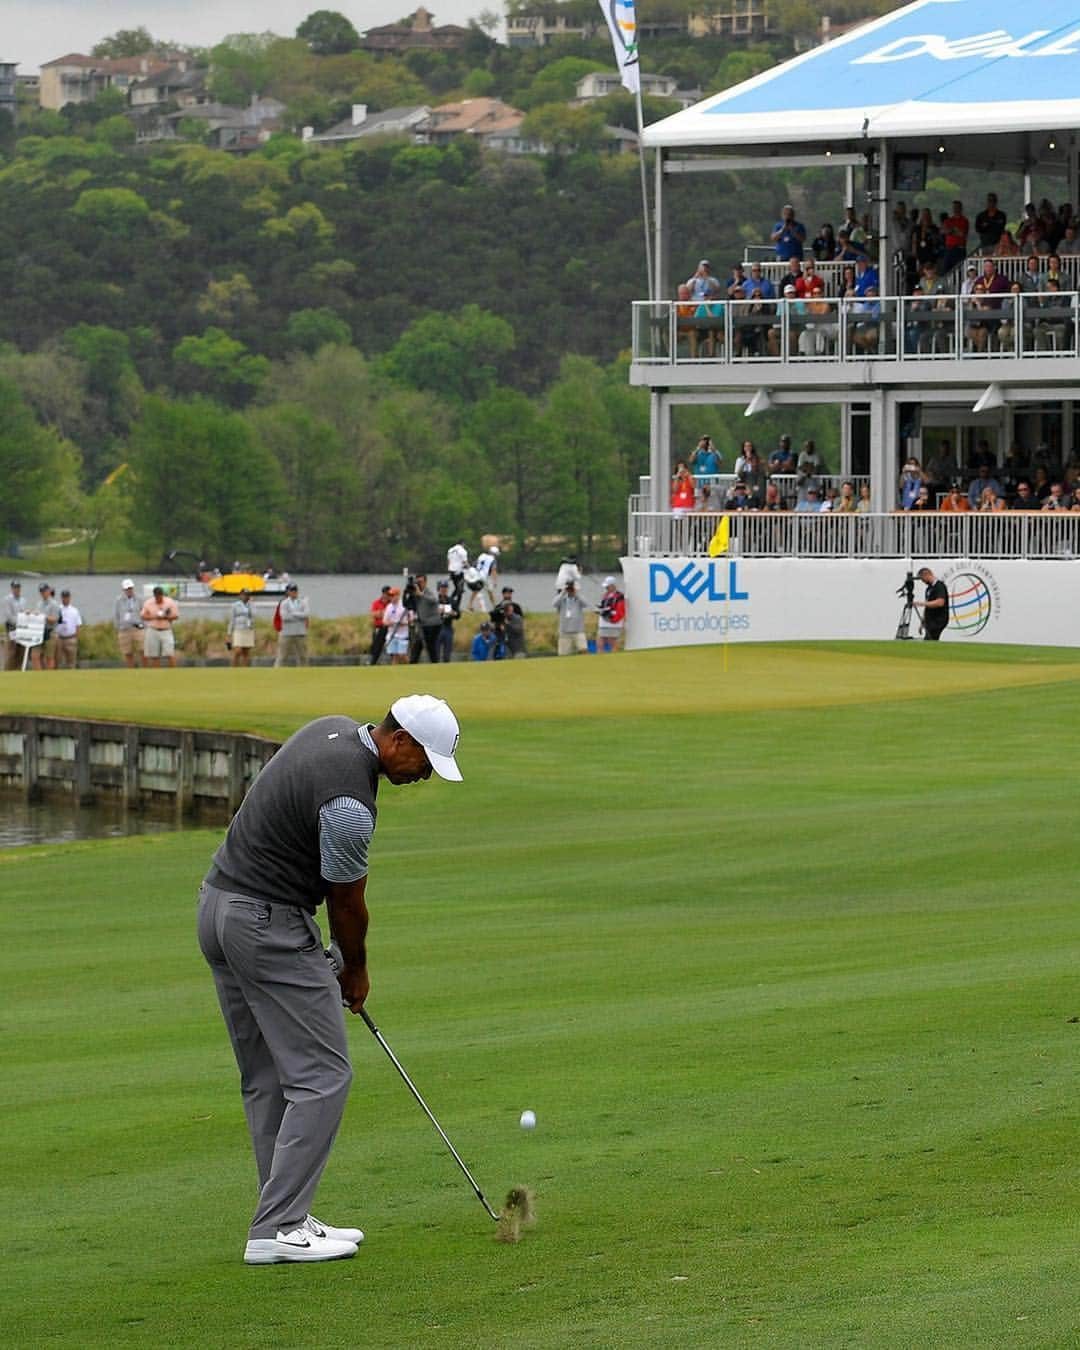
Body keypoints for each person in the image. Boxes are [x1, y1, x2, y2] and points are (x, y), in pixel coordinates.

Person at [197, 694, 462, 1266]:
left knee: (269, 1076)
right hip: (264, 920)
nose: (423, 777)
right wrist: (354, 970)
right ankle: (281, 1224)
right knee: (323, 1074)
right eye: (425, 763)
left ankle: (284, 1215)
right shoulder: (350, 806)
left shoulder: (332, 728)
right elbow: (347, 906)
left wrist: (327, 958)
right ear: (400, 741)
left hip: (218, 906)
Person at [141, 586, 179, 669]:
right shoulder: (148, 603)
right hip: (153, 630)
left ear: (162, 595)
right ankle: (157, 673)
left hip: (166, 630)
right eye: (157, 596)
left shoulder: (170, 602)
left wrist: (166, 617)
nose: (159, 598)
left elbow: (176, 616)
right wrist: (154, 617)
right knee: (154, 655)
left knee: (170, 653)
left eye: (160, 596)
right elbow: (143, 616)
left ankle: (174, 673)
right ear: (154, 596)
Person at [407, 574, 442, 665]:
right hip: (423, 624)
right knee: (417, 644)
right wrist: (407, 592)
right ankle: (413, 663)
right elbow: (407, 604)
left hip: (433, 623)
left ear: (425, 582)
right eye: (417, 582)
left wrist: (421, 594)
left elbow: (434, 600)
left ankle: (435, 663)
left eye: (421, 582)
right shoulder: (415, 593)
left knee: (430, 645)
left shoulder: (428, 591)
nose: (419, 584)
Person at [275, 582, 310, 668]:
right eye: (292, 591)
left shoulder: (302, 602)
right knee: (282, 656)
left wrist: (293, 613)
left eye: (295, 590)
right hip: (286, 633)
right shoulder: (284, 603)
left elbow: (306, 614)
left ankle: (304, 673)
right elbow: (284, 617)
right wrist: (299, 615)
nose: (294, 592)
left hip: (300, 632)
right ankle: (277, 673)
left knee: (303, 656)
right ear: (288, 592)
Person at [913, 566, 950, 640]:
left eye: (922, 578)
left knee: (930, 639)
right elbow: (928, 606)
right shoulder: (928, 589)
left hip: (938, 620)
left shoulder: (939, 586)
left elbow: (940, 602)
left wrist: (921, 603)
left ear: (926, 575)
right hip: (930, 620)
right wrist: (923, 622)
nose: (922, 581)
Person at [114, 578, 143, 669]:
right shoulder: (119, 600)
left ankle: (144, 669)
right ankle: (131, 669)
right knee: (127, 652)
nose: (129, 590)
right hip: (124, 629)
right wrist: (118, 628)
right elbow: (116, 615)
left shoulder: (139, 599)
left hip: (138, 628)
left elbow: (143, 612)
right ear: (123, 590)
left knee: (142, 650)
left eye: (130, 588)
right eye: (127, 589)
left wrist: (143, 626)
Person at [490, 586, 526, 658]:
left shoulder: (516, 606)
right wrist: (499, 626)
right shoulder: (498, 607)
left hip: (514, 636)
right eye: (507, 593)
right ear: (503, 594)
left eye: (510, 593)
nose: (509, 595)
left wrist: (508, 624)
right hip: (501, 635)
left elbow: (520, 621)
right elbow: (494, 622)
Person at [554, 580, 588, 656]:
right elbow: (554, 604)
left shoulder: (578, 598)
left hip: (578, 630)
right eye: (568, 588)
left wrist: (576, 594)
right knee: (563, 654)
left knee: (583, 650)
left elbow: (586, 604)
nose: (570, 590)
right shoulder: (562, 599)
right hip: (564, 631)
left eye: (571, 588)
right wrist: (563, 592)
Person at [33, 582, 61, 671]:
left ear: (49, 591)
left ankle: (49, 676)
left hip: (50, 632)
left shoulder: (54, 604)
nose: (43, 593)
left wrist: (42, 615)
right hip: (39, 632)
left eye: (44, 591)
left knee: (49, 657)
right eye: (41, 591)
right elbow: (36, 615)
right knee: (34, 656)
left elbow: (55, 619)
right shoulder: (39, 604)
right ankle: (39, 676)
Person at [55, 589, 83, 668]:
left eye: (67, 597)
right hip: (60, 638)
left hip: (71, 638)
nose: (65, 599)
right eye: (64, 597)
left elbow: (78, 625)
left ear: (70, 598)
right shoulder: (58, 609)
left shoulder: (74, 610)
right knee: (58, 661)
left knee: (71, 662)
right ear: (61, 598)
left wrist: (76, 638)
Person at [596, 577, 626, 653]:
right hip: (603, 623)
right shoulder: (605, 595)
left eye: (607, 586)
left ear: (613, 585)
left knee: (613, 643)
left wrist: (612, 619)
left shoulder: (620, 596)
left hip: (613, 624)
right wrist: (601, 610)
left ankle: (615, 660)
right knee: (599, 641)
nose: (606, 588)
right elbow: (604, 607)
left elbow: (621, 611)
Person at [228, 589, 256, 667]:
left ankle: (245, 670)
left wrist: (251, 605)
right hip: (238, 629)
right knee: (238, 651)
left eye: (247, 595)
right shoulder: (235, 605)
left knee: (246, 652)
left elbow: (254, 615)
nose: (245, 596)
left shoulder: (251, 605)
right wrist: (229, 633)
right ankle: (234, 668)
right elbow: (231, 619)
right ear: (240, 595)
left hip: (248, 629)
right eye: (244, 594)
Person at [381, 588, 410, 665]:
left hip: (403, 635)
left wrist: (402, 623)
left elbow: (410, 620)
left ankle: (410, 666)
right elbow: (384, 621)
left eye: (393, 595)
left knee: (402, 655)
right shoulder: (389, 607)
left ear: (398, 596)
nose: (391, 597)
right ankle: (395, 671)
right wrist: (390, 623)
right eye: (390, 595)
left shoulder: (404, 605)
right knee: (394, 655)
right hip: (392, 634)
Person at [3, 578, 26, 671]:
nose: (17, 589)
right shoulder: (7, 600)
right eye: (15, 587)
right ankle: (7, 672)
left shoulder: (23, 600)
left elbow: (23, 613)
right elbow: (9, 616)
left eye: (18, 587)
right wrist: (21, 620)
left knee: (21, 652)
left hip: (22, 629)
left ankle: (18, 670)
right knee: (11, 652)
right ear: (11, 588)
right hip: (12, 629)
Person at [435, 579, 459, 662]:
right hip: (437, 629)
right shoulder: (434, 601)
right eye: (442, 588)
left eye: (445, 588)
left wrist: (453, 613)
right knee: (435, 653)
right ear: (438, 589)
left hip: (448, 627)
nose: (444, 590)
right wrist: (437, 611)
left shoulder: (452, 601)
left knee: (447, 654)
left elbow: (458, 615)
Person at [368, 585, 391, 666]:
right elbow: (374, 614)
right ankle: (373, 662)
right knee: (376, 646)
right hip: (378, 627)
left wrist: (381, 613)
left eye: (388, 594)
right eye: (385, 593)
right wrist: (384, 613)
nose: (386, 595)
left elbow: (391, 615)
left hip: (388, 627)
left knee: (389, 646)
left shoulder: (391, 604)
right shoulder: (376, 603)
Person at [446, 541, 468, 608]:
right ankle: (455, 605)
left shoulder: (450, 550)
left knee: (457, 588)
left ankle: (451, 602)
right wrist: (470, 569)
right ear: (463, 544)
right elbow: (465, 562)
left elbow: (449, 561)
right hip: (459, 572)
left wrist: (450, 572)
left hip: (451, 571)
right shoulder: (463, 550)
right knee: (460, 589)